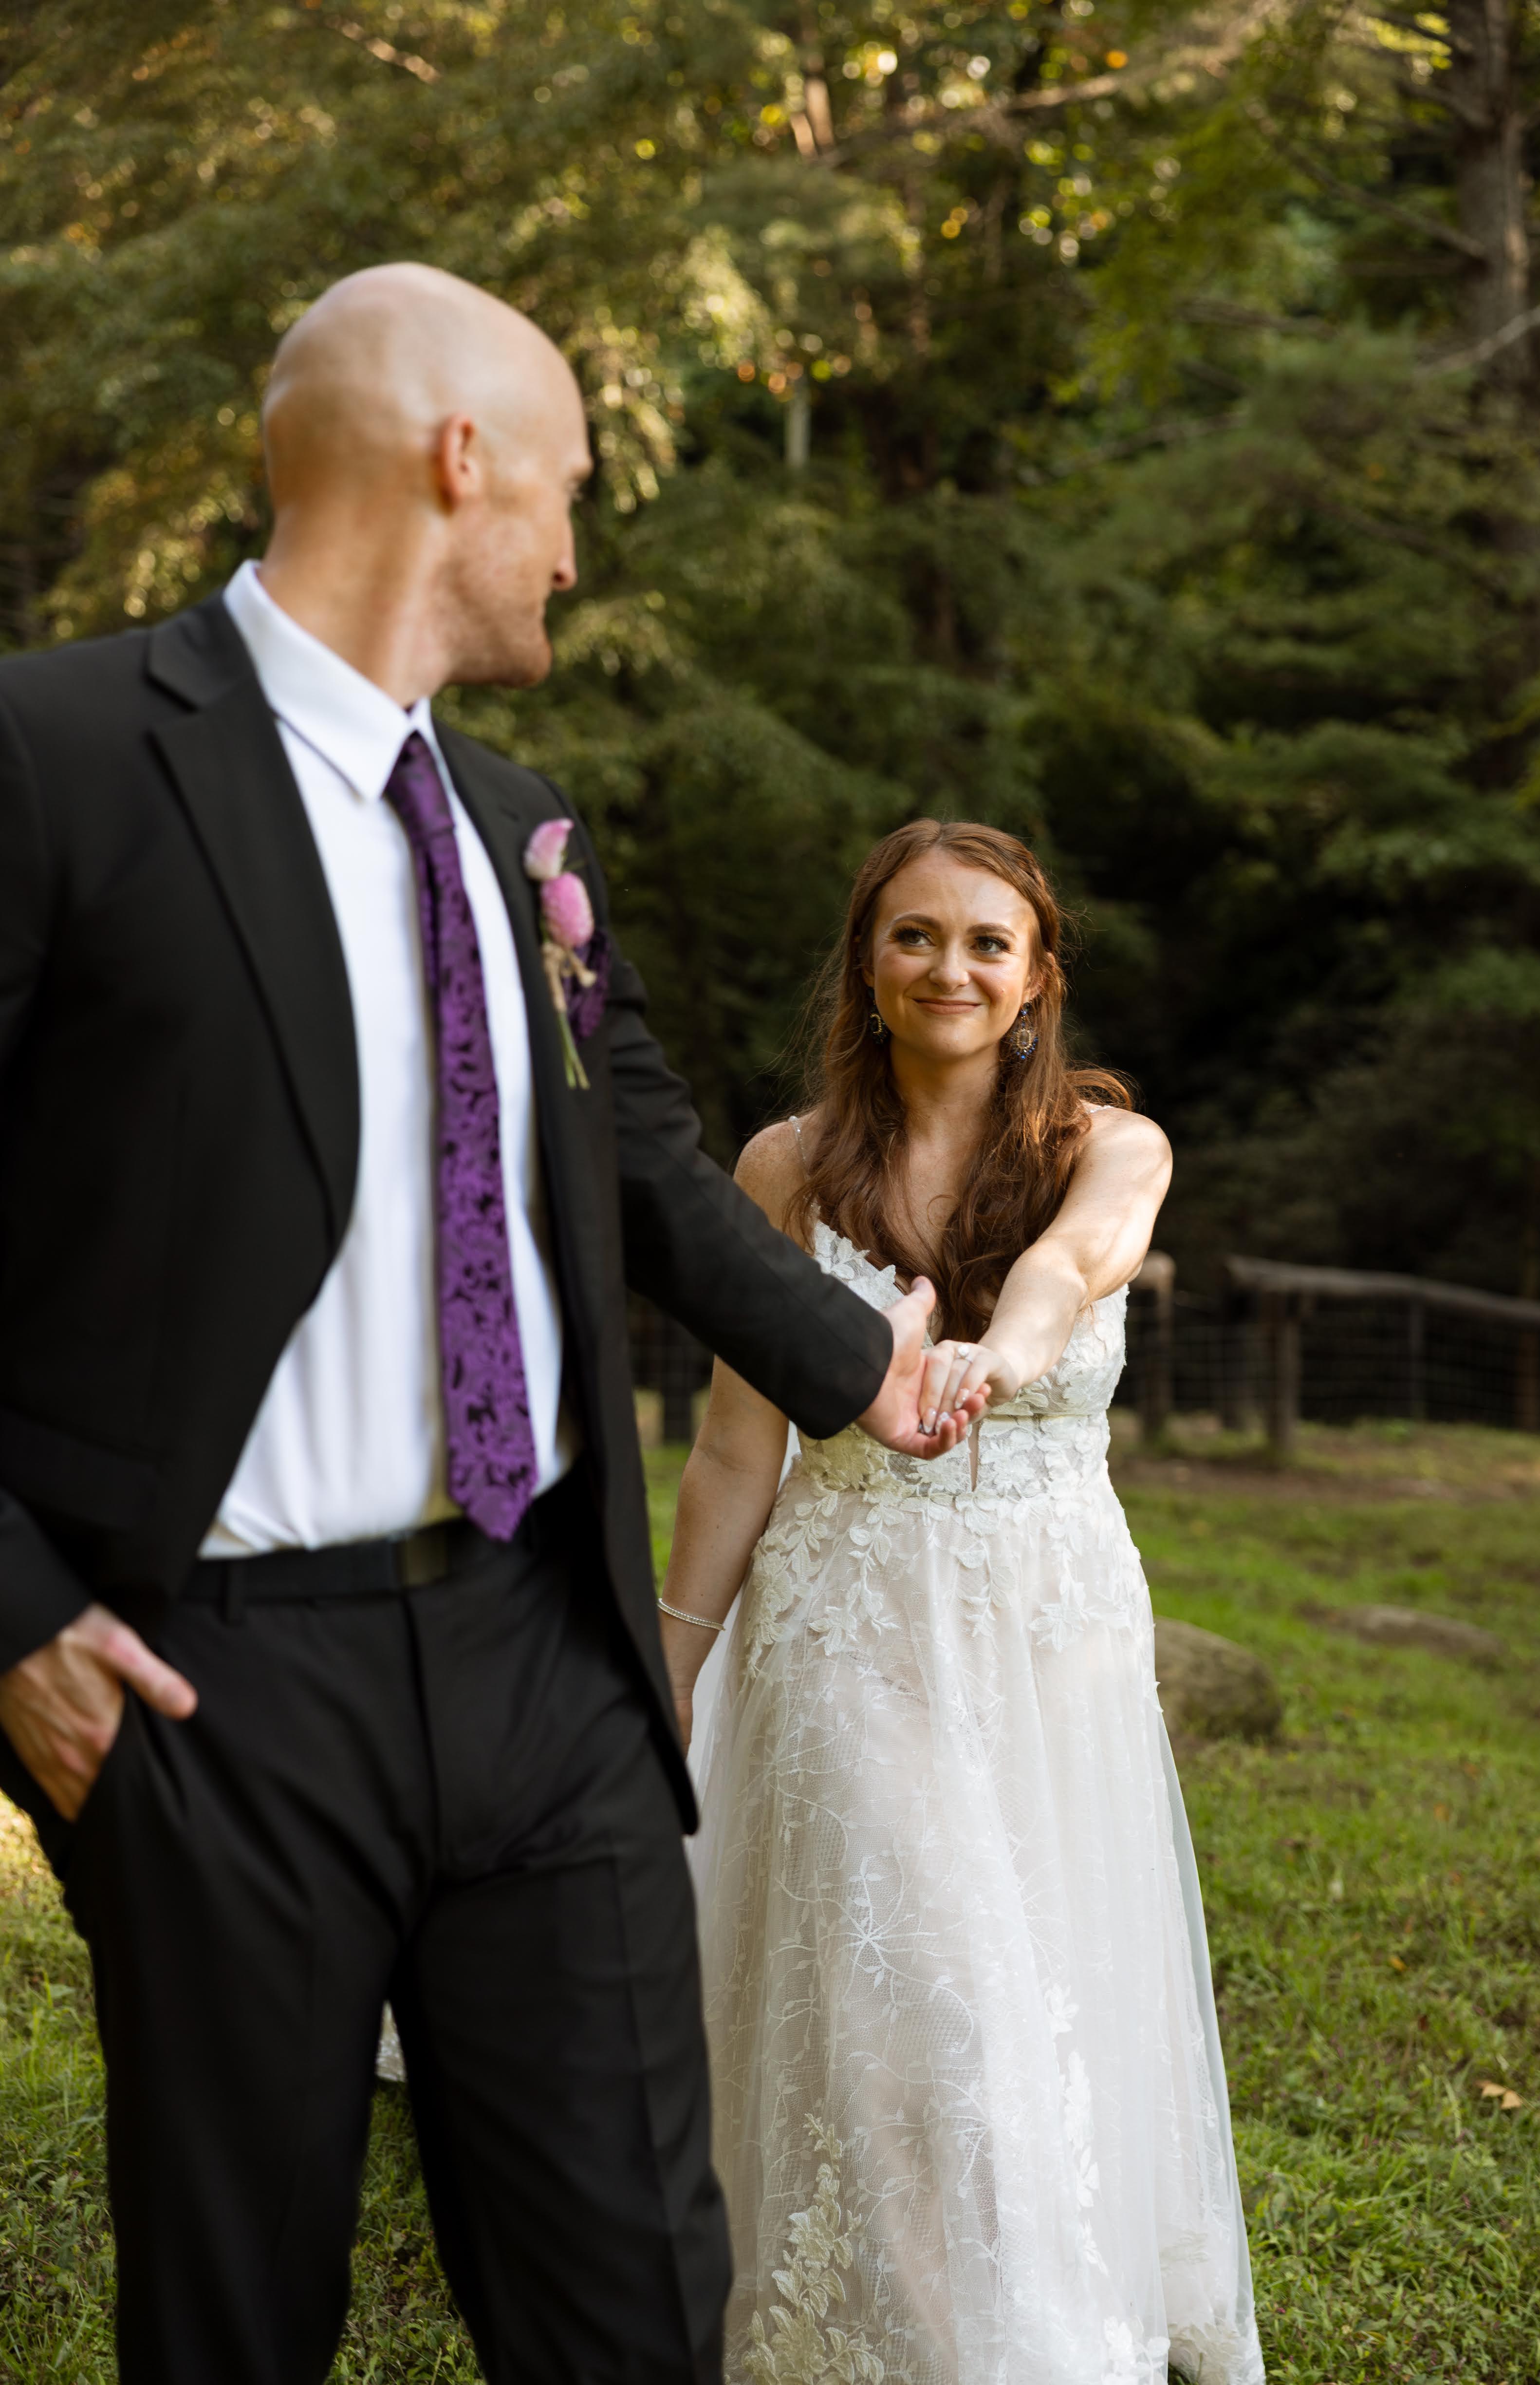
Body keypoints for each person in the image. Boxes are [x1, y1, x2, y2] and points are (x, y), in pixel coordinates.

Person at [0, 264, 993, 2385]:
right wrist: (10, 1617)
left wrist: (869, 1366)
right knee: (235, 2312)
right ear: (463, 463)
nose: (572, 544)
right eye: (566, 491)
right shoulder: (54, 754)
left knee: (634, 2302)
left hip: (550, 1654)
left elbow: (633, 1160)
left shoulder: (521, 817)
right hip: (215, 1699)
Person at [661, 821, 1265, 2385]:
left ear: (1035, 976)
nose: (950, 966)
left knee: (1038, 1979)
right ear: (866, 964)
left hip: (1049, 1620)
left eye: (986, 942)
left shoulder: (1109, 1149)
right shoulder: (783, 1166)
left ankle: (1023, 2293)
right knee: (917, 2000)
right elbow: (736, 1446)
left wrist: (998, 1349)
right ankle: (977, 2347)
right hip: (848, 1619)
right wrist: (670, 1654)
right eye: (913, 935)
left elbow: (1078, 1265)